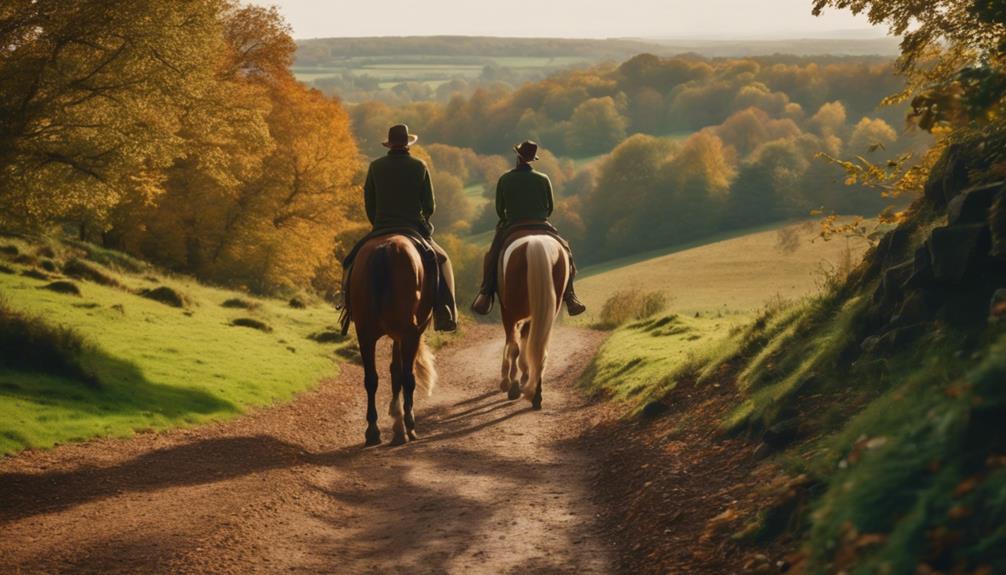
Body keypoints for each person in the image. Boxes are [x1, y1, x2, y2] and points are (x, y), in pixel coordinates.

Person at [340, 124, 457, 332]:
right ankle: (444, 311)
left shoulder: (375, 166)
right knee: (442, 259)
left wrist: (378, 222)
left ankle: (348, 308)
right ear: (408, 144)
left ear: (389, 144)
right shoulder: (419, 166)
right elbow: (429, 205)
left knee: (349, 262)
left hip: (381, 227)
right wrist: (422, 219)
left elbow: (370, 203)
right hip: (413, 228)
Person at [470, 140, 586, 316]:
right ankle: (570, 296)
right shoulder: (543, 179)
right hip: (541, 223)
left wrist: (506, 219)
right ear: (533, 159)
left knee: (492, 254)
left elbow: (500, 209)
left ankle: (485, 293)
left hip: (513, 224)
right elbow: (550, 207)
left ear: (518, 156)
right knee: (566, 252)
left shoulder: (505, 179)